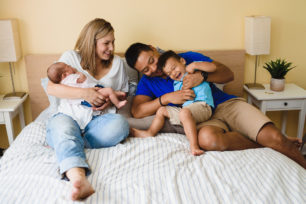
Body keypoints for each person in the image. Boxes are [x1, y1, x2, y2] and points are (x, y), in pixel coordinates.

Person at [125, 42, 306, 169]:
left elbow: (228, 74)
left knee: (275, 137)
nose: (154, 69)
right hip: (202, 117)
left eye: (151, 60)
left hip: (224, 105)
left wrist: (202, 77)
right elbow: (137, 111)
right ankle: (265, 143)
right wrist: (166, 98)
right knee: (208, 140)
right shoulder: (148, 82)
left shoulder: (186, 59)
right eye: (146, 70)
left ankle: (275, 142)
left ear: (152, 48)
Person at [46, 18, 130, 201]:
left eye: (113, 42)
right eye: (106, 43)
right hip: (69, 116)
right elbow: (51, 88)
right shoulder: (70, 59)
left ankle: (65, 141)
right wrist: (85, 93)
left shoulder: (118, 64)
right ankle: (79, 178)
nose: (112, 48)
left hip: (97, 121)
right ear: (92, 42)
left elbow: (123, 92)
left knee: (121, 125)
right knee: (63, 126)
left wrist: (108, 100)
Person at [131, 50, 216, 156]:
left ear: (182, 61)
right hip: (188, 111)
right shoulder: (176, 83)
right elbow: (137, 111)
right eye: (169, 73)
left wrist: (196, 66)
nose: (173, 73)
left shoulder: (192, 69)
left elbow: (214, 67)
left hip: (203, 106)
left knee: (184, 113)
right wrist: (168, 98)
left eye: (174, 68)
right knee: (162, 110)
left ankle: (194, 146)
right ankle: (150, 132)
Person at [47, 62, 127, 111]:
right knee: (108, 90)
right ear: (65, 74)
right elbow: (82, 79)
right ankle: (118, 104)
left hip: (86, 100)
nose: (71, 66)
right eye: (68, 66)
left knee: (106, 91)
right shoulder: (70, 78)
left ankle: (116, 94)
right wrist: (79, 73)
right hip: (91, 97)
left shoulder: (63, 83)